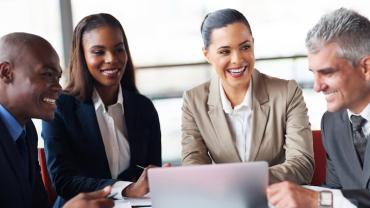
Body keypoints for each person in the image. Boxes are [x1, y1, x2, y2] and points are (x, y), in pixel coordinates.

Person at [42, 13, 162, 207]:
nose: (111, 59)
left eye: (119, 49)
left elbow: (150, 174)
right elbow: (62, 181)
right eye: (98, 52)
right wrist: (126, 189)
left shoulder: (144, 108)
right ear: (82, 55)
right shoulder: (60, 107)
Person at [181, 8, 314, 184]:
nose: (237, 59)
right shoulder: (194, 101)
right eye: (224, 51)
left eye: (245, 47)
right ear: (207, 55)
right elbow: (193, 166)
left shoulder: (287, 92)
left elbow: (302, 165)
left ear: (253, 44)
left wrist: (243, 180)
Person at [267, 8, 370, 208]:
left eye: (327, 73)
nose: (317, 86)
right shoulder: (332, 123)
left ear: (366, 68)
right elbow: (335, 193)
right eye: (313, 73)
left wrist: (317, 199)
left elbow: (328, 200)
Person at [0, 32, 114, 208]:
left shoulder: (27, 131)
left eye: (58, 77)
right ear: (6, 72)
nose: (58, 88)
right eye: (46, 74)